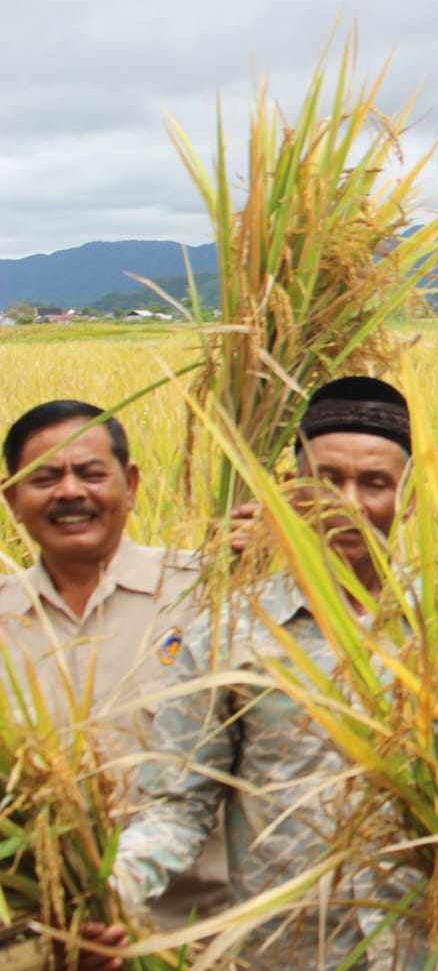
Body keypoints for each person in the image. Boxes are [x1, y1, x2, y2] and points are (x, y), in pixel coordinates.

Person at [81, 377, 438, 970]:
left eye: (375, 483)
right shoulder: (230, 629)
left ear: (408, 497)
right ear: (291, 486)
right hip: (284, 953)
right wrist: (108, 894)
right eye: (326, 479)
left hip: (427, 950)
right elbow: (179, 805)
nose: (349, 502)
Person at [0, 401, 228, 965]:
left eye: (91, 473)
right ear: (12, 500)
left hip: (206, 939)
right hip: (57, 947)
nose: (70, 491)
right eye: (46, 477)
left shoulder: (209, 591)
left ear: (129, 485)